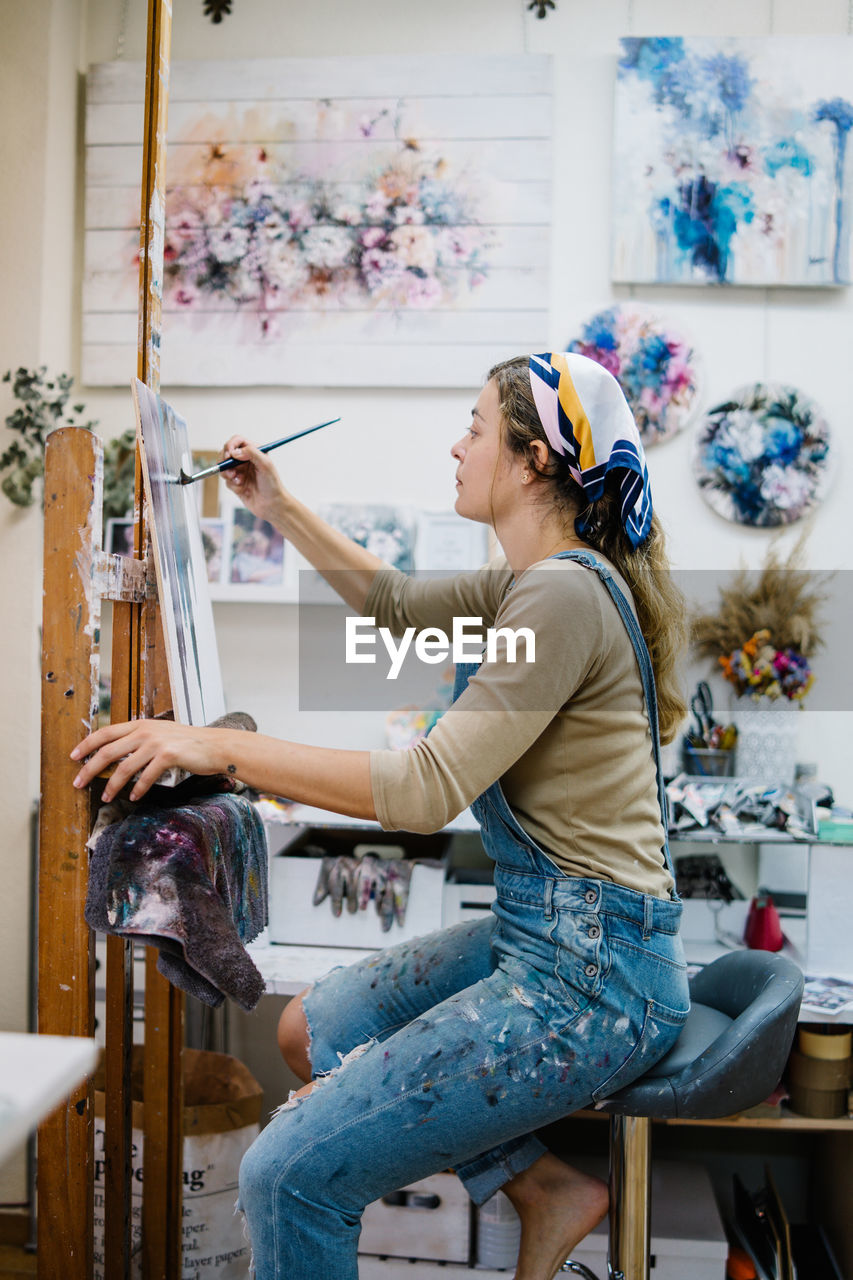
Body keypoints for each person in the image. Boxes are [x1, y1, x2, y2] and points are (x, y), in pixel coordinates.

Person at [72, 352, 690, 1280]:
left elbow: (422, 789)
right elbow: (395, 605)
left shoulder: (561, 595)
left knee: (286, 1175)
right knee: (306, 1031)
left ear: (531, 461)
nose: (456, 444)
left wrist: (216, 746)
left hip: (597, 973)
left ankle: (537, 1188)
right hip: (547, 933)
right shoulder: (539, 579)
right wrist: (275, 506)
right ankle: (543, 1188)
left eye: (475, 428)